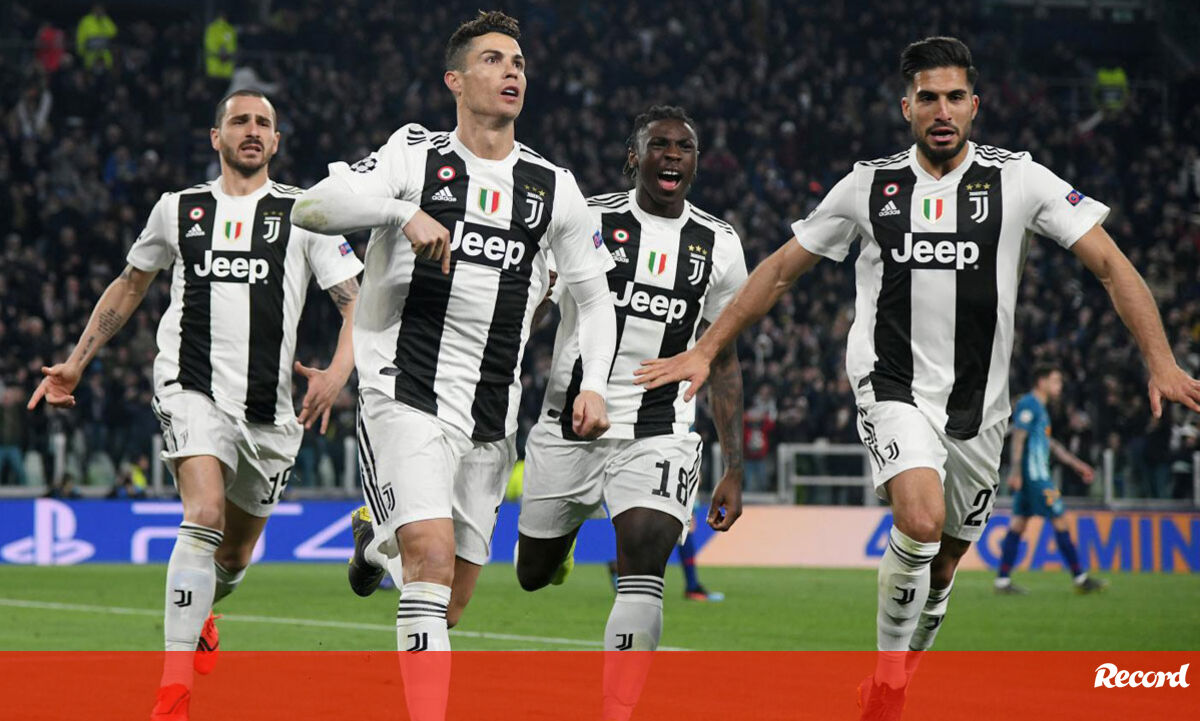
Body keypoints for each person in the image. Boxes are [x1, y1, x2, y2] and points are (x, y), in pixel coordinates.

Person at [634, 36, 1200, 720]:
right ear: (907, 107)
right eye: (928, 97)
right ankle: (890, 689)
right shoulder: (869, 186)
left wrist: (1160, 359)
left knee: (943, 566)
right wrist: (706, 348)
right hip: (891, 383)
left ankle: (894, 679)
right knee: (921, 519)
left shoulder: (1019, 180)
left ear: (974, 106)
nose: (942, 110)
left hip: (980, 406)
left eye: (955, 97)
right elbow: (780, 269)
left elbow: (1110, 265)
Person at [291, 11, 616, 720]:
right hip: (403, 391)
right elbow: (311, 207)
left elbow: (595, 299)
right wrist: (397, 213)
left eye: (519, 62)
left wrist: (593, 384)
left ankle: (374, 548)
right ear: (455, 80)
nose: (511, 71)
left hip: (491, 416)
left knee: (451, 601)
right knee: (431, 562)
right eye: (493, 59)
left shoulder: (552, 184)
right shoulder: (414, 155)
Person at [28, 90, 363, 721]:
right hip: (190, 387)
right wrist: (76, 362)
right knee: (202, 512)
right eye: (239, 121)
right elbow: (131, 284)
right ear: (216, 137)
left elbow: (356, 303)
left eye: (263, 123)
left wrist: (338, 373)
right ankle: (173, 690)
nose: (252, 130)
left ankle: (205, 607)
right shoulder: (178, 209)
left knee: (232, 558)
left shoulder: (305, 213)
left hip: (270, 414)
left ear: (277, 141)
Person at [514, 105, 746, 721]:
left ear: (696, 162)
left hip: (660, 429)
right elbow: (535, 304)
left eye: (684, 147)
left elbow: (723, 358)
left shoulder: (720, 245)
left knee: (644, 556)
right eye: (659, 144)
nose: (672, 155)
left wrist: (735, 465)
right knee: (532, 573)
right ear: (634, 156)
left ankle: (617, 710)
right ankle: (559, 548)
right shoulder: (586, 220)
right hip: (569, 426)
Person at [995, 365, 1106, 594]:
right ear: (1041, 381)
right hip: (1036, 478)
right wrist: (1015, 472)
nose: (1060, 386)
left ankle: (1002, 581)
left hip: (1032, 478)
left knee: (1018, 524)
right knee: (1059, 518)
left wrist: (1077, 464)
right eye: (1055, 381)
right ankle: (1080, 578)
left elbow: (1050, 444)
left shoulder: (1041, 409)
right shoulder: (1029, 404)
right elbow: (1018, 437)